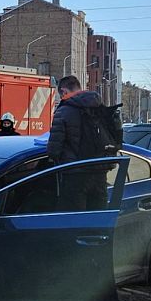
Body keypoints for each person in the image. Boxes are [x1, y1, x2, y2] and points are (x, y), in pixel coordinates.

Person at [48, 75, 121, 211]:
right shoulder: (99, 107)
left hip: (75, 174)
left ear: (64, 91)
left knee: (75, 219)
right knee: (98, 217)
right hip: (100, 172)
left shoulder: (63, 111)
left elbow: (53, 150)